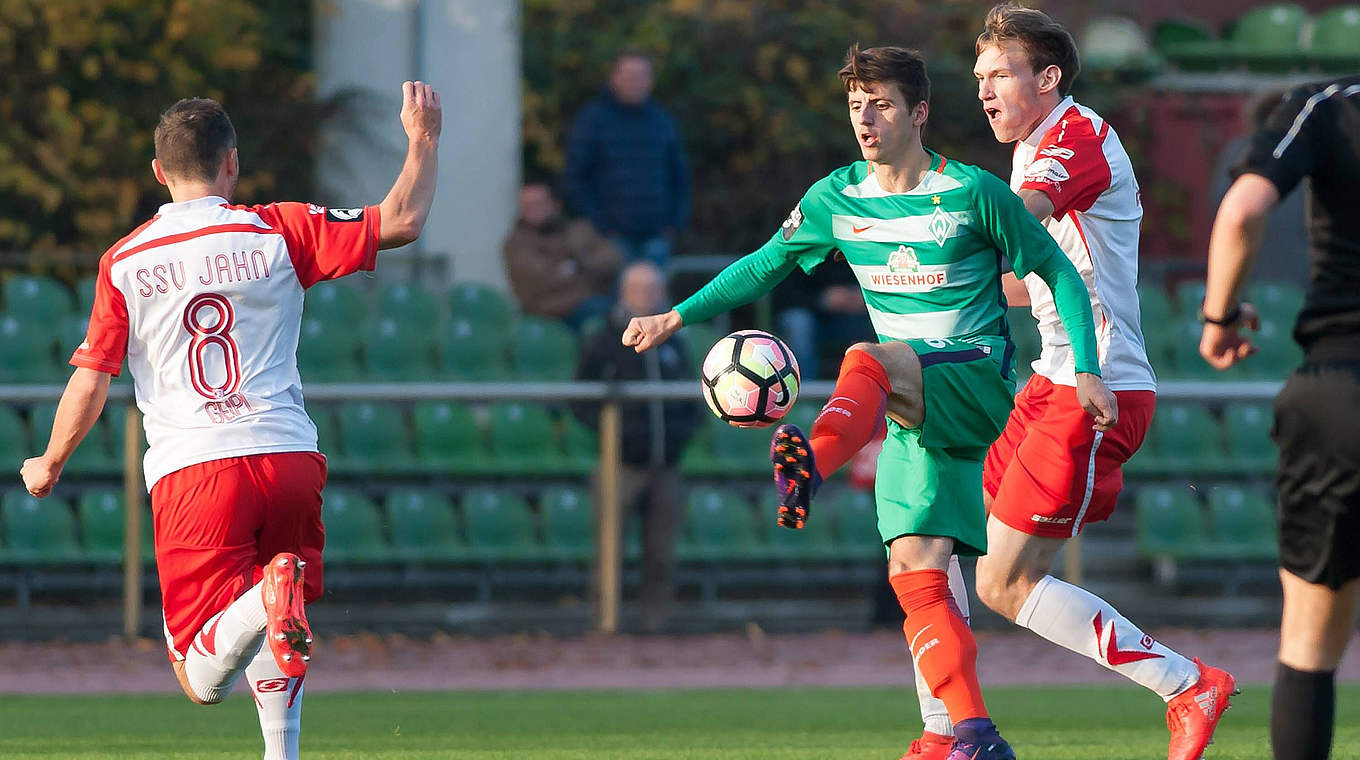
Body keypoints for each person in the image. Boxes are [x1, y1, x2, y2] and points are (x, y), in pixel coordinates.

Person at [624, 44, 1117, 760]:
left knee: (866, 356)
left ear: (918, 112)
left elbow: (1059, 275)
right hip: (909, 406)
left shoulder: (974, 192)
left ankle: (810, 467)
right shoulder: (836, 197)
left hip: (974, 382)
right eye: (856, 104)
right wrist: (676, 315)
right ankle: (975, 735)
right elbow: (765, 262)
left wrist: (1089, 369)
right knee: (914, 571)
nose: (865, 117)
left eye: (881, 103)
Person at [18, 82, 441, 760]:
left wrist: (50, 461)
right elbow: (401, 221)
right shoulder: (277, 228)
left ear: (157, 172)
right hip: (288, 457)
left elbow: (92, 378)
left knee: (197, 674)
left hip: (196, 469)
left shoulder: (125, 261)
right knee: (269, 619)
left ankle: (269, 595)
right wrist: (422, 137)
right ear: (232, 164)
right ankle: (281, 750)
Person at [893, 7, 1241, 760]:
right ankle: (945, 732)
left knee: (1004, 586)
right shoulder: (1027, 149)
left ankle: (1186, 684)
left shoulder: (1076, 136)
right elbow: (1031, 279)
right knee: (934, 536)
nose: (983, 90)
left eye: (1000, 74)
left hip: (1096, 389)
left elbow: (1020, 220)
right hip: (1048, 387)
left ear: (1047, 78)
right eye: (978, 76)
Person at [1198, 73, 1360, 760]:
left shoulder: (1330, 104)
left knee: (1309, 643)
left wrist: (1219, 318)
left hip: (1341, 387)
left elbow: (1241, 212)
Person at [574, 260, 699, 632]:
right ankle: (604, 625)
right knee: (609, 551)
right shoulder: (605, 339)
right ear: (622, 293)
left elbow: (693, 398)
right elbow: (580, 398)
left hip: (666, 465)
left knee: (661, 552)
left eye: (652, 289)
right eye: (638, 289)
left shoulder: (675, 342)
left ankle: (655, 627)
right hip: (621, 465)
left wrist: (681, 435)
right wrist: (615, 434)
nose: (646, 296)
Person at [563, 49, 690, 267]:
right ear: (614, 78)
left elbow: (680, 175)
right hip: (612, 237)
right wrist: (601, 224)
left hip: (657, 233)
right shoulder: (593, 120)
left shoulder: (661, 120)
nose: (636, 83)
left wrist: (673, 223)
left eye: (642, 76)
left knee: (653, 297)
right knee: (620, 298)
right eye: (630, 76)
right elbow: (575, 178)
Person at [502, 181, 621, 332]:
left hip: (594, 298)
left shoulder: (578, 228)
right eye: (526, 205)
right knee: (603, 315)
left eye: (538, 203)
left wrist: (578, 263)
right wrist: (586, 271)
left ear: (555, 203)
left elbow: (612, 260)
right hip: (550, 310)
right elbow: (541, 282)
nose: (532, 210)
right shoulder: (517, 243)